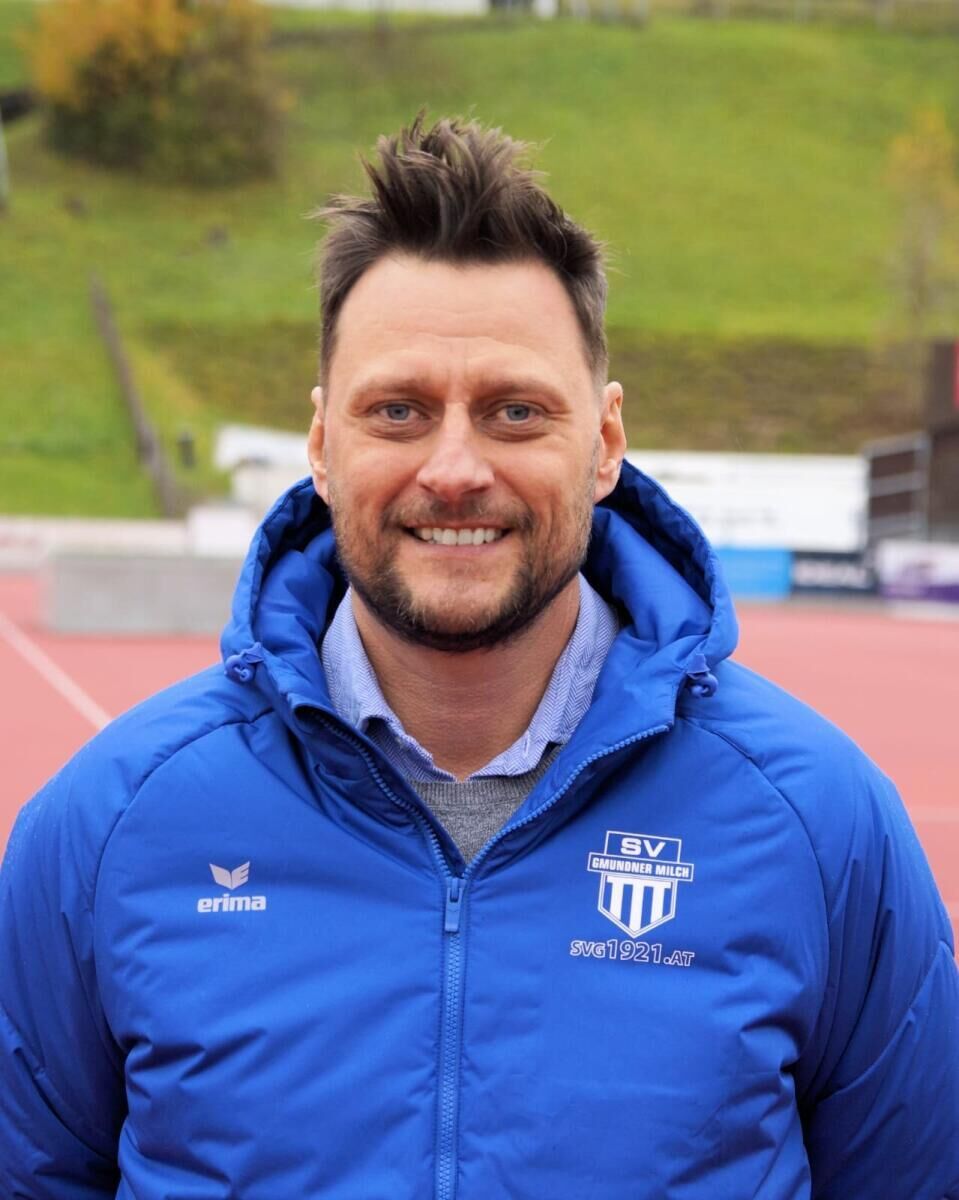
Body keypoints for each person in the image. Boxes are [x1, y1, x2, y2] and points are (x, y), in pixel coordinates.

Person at [1, 114, 957, 1200]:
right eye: (397, 410)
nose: (454, 468)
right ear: (321, 444)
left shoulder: (821, 825)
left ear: (604, 442)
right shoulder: (106, 826)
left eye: (514, 411)